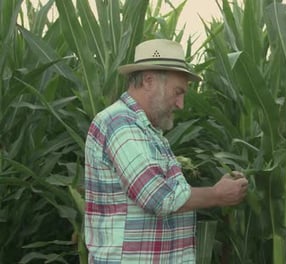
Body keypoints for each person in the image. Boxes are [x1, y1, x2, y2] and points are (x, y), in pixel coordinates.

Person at [84, 39, 248, 263]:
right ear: (149, 81)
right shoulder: (119, 123)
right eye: (177, 92)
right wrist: (218, 194)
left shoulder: (146, 130)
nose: (181, 104)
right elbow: (157, 197)